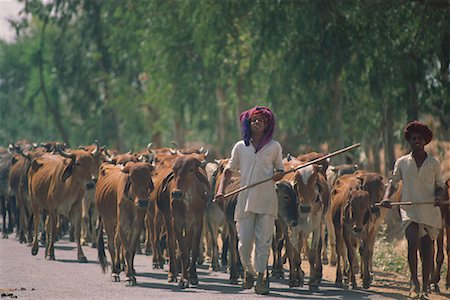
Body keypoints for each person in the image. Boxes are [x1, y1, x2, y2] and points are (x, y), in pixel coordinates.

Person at [214, 105, 284, 295]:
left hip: (267, 200)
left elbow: (280, 169)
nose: (257, 122)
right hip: (244, 199)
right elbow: (228, 171)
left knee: (264, 241)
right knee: (244, 243)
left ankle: (261, 278)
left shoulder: (274, 147)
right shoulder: (240, 147)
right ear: (248, 123)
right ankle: (249, 271)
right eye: (254, 119)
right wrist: (220, 191)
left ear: (267, 124)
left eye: (261, 119)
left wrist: (279, 175)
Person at [380, 120, 445, 300]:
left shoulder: (434, 163)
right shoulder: (402, 162)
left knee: (427, 250)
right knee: (412, 240)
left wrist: (439, 196)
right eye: (413, 138)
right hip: (409, 209)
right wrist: (386, 198)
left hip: (429, 210)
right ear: (410, 141)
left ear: (425, 141)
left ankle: (425, 287)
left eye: (420, 139)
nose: (417, 141)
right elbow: (392, 184)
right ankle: (414, 282)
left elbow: (440, 186)